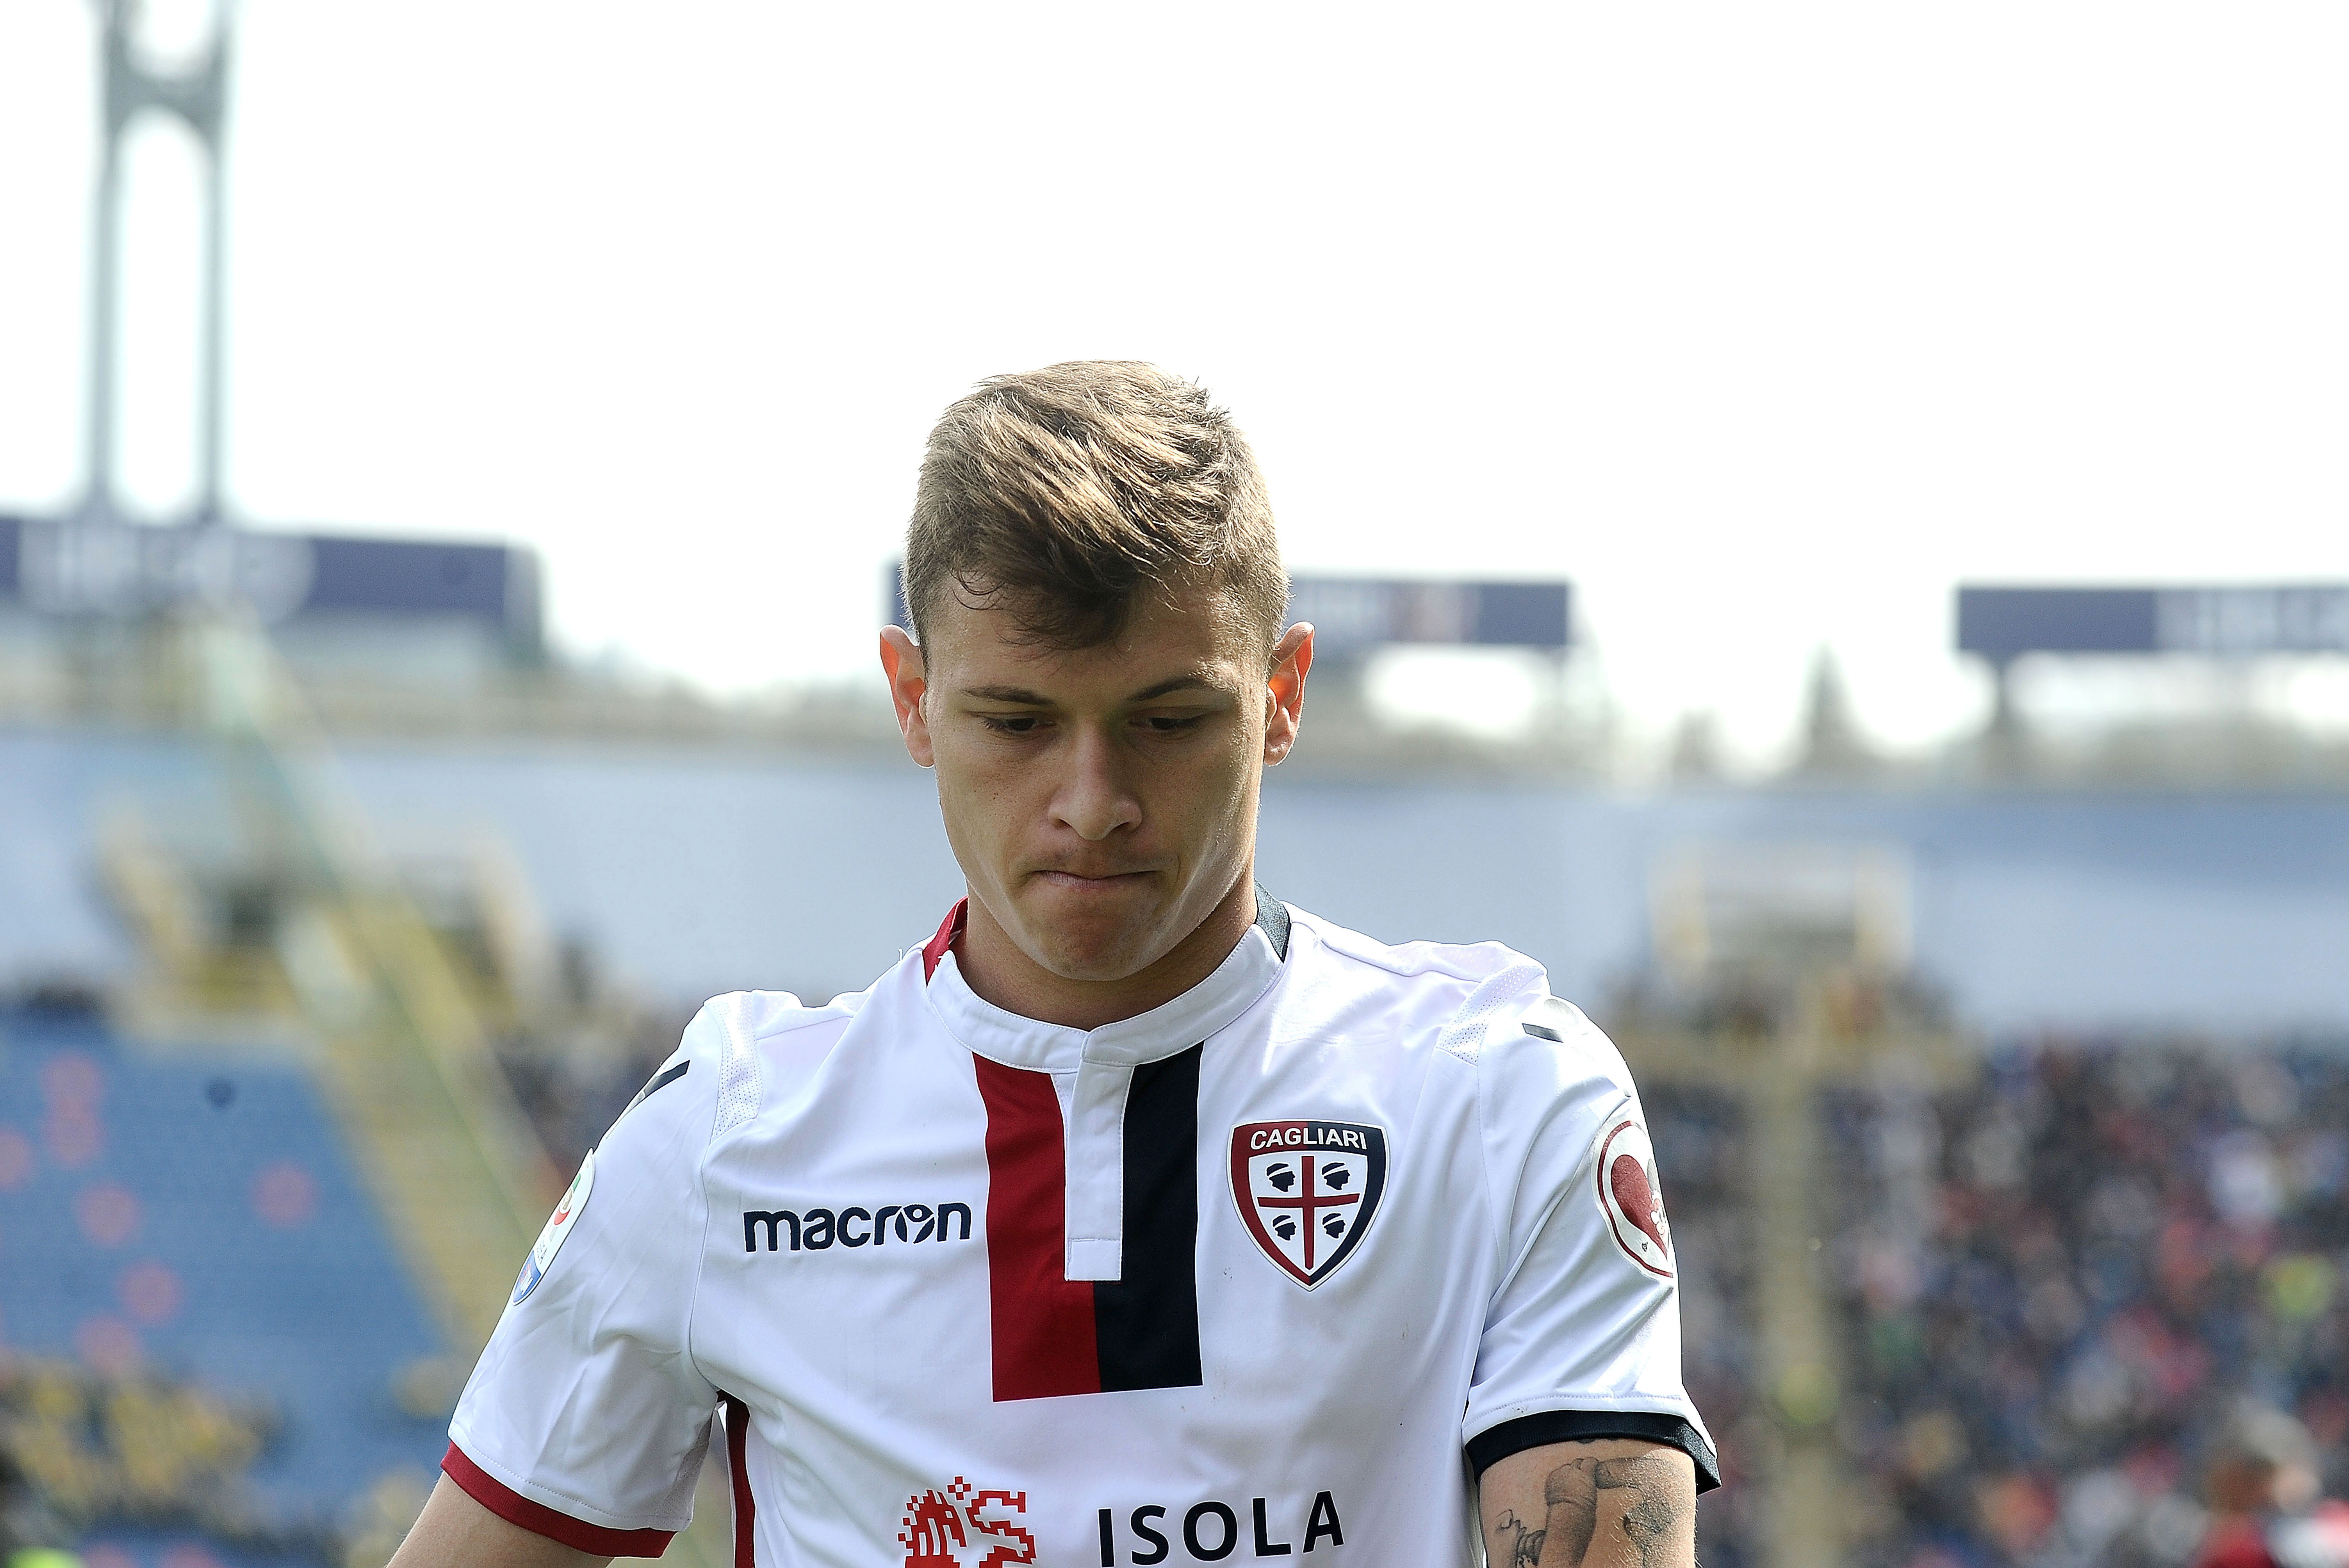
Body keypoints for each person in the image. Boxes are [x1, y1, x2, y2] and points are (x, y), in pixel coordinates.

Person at [388, 362, 1716, 1568]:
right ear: (912, 699)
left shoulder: (1500, 1097)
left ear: (1283, 695)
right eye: (1017, 721)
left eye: (1169, 719)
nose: (1091, 798)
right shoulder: (728, 1136)